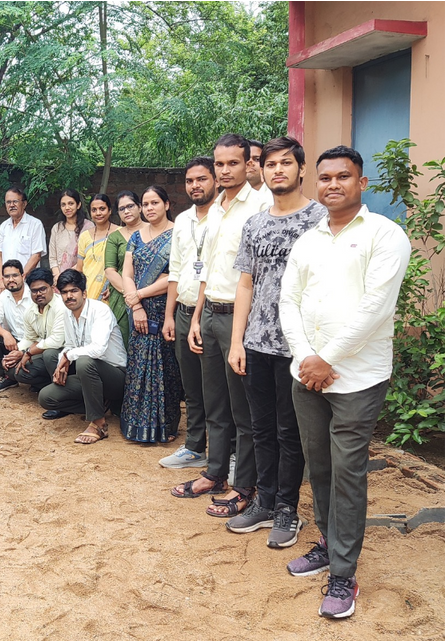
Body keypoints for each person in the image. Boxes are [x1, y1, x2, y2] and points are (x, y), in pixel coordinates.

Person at [280, 146, 411, 619]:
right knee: (320, 467)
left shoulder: (385, 235)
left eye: (343, 177)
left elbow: (375, 308)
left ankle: (343, 574)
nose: (333, 184)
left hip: (357, 378)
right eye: (326, 178)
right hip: (308, 374)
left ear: (362, 183)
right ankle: (327, 544)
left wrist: (327, 358)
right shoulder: (308, 238)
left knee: (348, 472)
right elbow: (288, 300)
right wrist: (305, 357)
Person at [224, 137, 327, 547]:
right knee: (261, 428)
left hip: (298, 348)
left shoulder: (320, 219)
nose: (278, 170)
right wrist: (237, 342)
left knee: (290, 432)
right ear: (262, 171)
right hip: (257, 344)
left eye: (287, 163)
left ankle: (288, 508)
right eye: (270, 164)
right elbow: (245, 284)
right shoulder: (255, 223)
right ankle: (264, 501)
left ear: (302, 170)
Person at [176, 133, 271, 517]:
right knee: (214, 403)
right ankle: (215, 473)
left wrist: (242, 331)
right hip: (210, 313)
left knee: (243, 411)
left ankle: (244, 486)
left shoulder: (262, 204)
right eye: (220, 164)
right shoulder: (216, 206)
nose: (226, 170)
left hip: (240, 319)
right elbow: (208, 267)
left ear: (249, 163)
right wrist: (196, 316)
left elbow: (258, 277)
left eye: (234, 163)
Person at [160, 157, 216, 469]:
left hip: (213, 313)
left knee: (218, 390)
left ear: (215, 181)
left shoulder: (224, 218)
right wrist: (170, 316)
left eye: (202, 179)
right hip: (182, 310)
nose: (195, 186)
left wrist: (198, 315)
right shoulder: (182, 220)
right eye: (190, 181)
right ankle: (195, 447)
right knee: (191, 387)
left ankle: (228, 453)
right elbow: (176, 271)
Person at [119, 185, 182, 443]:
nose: (149, 208)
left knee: (166, 368)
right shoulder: (135, 237)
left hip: (164, 309)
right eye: (145, 204)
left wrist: (140, 296)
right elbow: (126, 274)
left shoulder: (178, 235)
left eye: (155, 202)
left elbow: (174, 277)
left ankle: (165, 427)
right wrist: (135, 307)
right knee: (138, 366)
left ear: (167, 204)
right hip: (138, 313)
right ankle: (135, 427)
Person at [38, 269, 127, 444]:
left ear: (84, 293)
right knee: (46, 397)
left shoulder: (100, 310)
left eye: (73, 291)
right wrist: (61, 362)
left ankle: (98, 424)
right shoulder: (67, 313)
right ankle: (99, 406)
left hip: (116, 376)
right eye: (64, 292)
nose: (68, 296)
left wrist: (67, 357)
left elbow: (98, 350)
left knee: (85, 362)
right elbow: (71, 345)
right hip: (89, 378)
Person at [14, 268, 66, 397]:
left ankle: (60, 393)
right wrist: (17, 352)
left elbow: (56, 340)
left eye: (43, 289)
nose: (38, 294)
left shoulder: (61, 307)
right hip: (44, 352)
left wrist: (29, 352)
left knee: (50, 354)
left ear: (52, 288)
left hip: (65, 354)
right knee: (13, 370)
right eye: (34, 291)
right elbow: (29, 338)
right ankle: (46, 384)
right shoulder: (30, 311)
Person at [0, 259, 33, 393]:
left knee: (26, 375)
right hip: (13, 342)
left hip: (34, 345)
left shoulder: (33, 295)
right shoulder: (4, 296)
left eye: (15, 275)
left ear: (23, 276)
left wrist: (22, 351)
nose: (11, 279)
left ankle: (39, 381)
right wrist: (6, 334)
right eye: (7, 276)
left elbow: (42, 336)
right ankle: (7, 377)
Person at [105, 191, 146, 347]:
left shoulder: (154, 230)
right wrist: (132, 296)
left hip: (153, 294)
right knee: (124, 342)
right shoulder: (115, 237)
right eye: (122, 209)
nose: (127, 211)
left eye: (130, 206)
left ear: (140, 207)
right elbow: (109, 270)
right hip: (123, 298)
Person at [0, 186, 47, 291]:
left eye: (15, 201)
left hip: (27, 283)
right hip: (6, 284)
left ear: (24, 203)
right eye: (8, 202)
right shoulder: (4, 226)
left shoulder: (35, 224)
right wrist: (0, 279)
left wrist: (20, 277)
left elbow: (36, 255)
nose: (11, 205)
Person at [77, 194, 118, 302]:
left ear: (110, 210)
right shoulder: (84, 236)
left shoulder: (120, 233)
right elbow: (80, 268)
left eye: (102, 209)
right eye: (94, 210)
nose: (98, 213)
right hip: (88, 292)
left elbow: (125, 267)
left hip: (111, 293)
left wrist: (114, 287)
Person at [49, 189, 94, 280]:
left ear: (78, 205)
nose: (67, 208)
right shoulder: (57, 228)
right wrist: (58, 276)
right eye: (63, 205)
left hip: (81, 278)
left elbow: (90, 256)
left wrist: (68, 275)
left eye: (71, 203)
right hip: (59, 280)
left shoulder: (88, 227)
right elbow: (53, 258)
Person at [248, 140, 274, 206]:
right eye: (246, 159)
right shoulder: (229, 198)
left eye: (257, 159)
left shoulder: (275, 196)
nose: (250, 163)